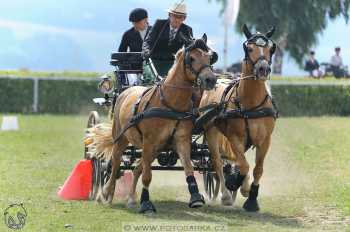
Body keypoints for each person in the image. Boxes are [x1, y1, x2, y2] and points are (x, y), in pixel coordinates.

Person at [142, 2, 193, 78]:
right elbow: (148, 42)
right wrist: (146, 52)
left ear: (184, 18)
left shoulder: (187, 30)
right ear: (169, 15)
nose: (177, 19)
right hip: (154, 62)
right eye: (175, 16)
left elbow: (190, 49)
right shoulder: (159, 24)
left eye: (181, 17)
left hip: (174, 64)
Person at [118, 8, 152, 85]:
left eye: (138, 22)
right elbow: (121, 53)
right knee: (131, 82)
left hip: (152, 67)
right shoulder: (128, 34)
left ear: (146, 20)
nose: (135, 25)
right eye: (133, 23)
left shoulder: (155, 32)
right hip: (133, 68)